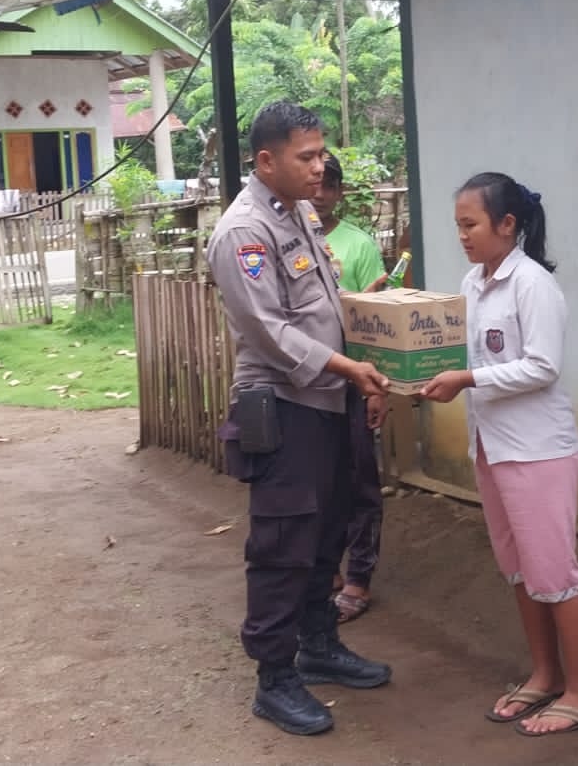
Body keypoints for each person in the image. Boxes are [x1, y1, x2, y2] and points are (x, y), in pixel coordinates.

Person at [206, 102, 393, 737]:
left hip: (332, 399)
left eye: (321, 154)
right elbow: (269, 332)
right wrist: (348, 369)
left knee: (330, 528)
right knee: (284, 543)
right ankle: (275, 677)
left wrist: (363, 372)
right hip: (283, 405)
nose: (320, 167)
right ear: (266, 161)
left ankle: (318, 643)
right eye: (306, 157)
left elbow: (326, 303)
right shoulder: (244, 232)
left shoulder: (301, 213)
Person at [419, 173, 578, 737]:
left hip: (537, 451)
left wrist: (467, 379)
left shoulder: (532, 284)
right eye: (458, 225)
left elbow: (542, 367)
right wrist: (428, 370)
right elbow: (472, 356)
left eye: (470, 224)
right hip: (493, 445)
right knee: (521, 569)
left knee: (555, 571)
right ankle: (546, 674)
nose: (462, 236)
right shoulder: (474, 283)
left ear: (507, 224)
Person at [310, 151, 387, 622]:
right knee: (318, 482)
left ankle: (359, 576)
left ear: (339, 192)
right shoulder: (290, 238)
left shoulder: (358, 245)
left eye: (329, 185)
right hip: (308, 383)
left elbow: (378, 324)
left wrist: (376, 389)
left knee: (360, 483)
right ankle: (328, 570)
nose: (320, 194)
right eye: (314, 183)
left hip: (355, 381)